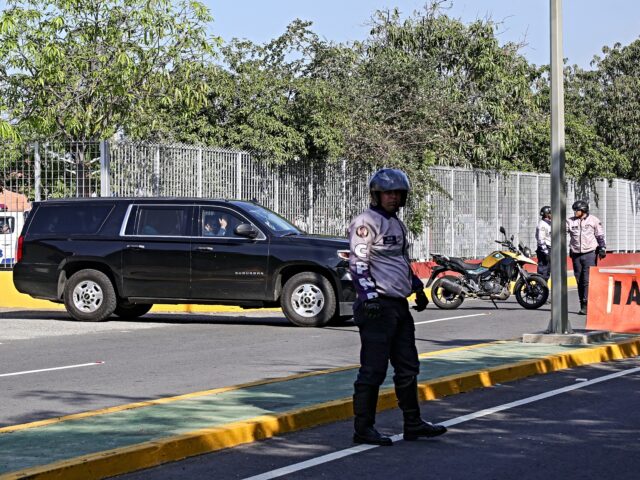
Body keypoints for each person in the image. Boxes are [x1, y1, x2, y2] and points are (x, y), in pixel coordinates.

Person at [347, 168, 446, 446]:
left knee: (408, 367)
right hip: (377, 306)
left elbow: (400, 262)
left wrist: (418, 289)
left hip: (398, 305)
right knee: (374, 369)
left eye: (397, 193)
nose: (393, 198)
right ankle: (363, 429)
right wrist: (369, 298)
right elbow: (358, 263)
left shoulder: (397, 224)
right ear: (376, 195)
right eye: (388, 193)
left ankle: (412, 423)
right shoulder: (366, 223)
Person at [566, 200, 606, 315]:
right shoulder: (570, 221)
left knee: (587, 280)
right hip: (576, 254)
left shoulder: (593, 220)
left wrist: (602, 248)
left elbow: (600, 235)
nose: (575, 212)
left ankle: (589, 303)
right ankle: (582, 304)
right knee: (579, 280)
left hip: (590, 253)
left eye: (577, 210)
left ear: (583, 210)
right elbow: (562, 233)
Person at [535, 206, 552, 281]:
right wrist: (546, 252)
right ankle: (541, 289)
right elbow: (541, 239)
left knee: (547, 271)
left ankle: (544, 289)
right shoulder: (542, 225)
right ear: (547, 214)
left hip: (549, 249)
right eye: (551, 213)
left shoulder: (549, 223)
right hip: (545, 250)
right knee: (543, 272)